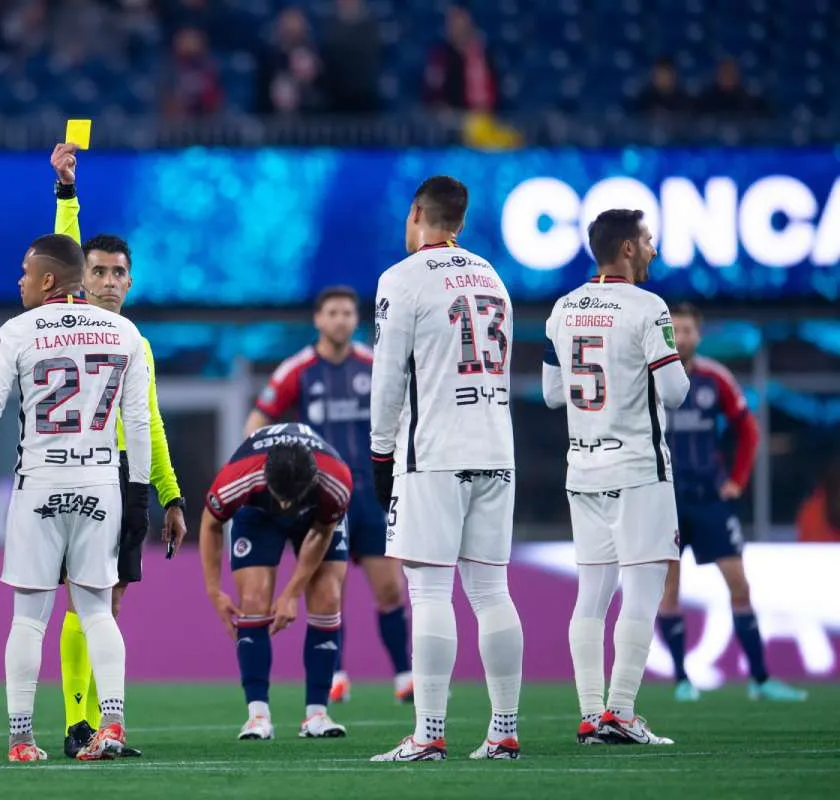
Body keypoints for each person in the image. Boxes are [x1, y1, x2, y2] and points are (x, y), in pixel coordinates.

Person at [0, 233, 152, 763]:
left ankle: (21, 739)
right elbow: (138, 423)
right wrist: (140, 500)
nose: (19, 281)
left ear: (49, 279)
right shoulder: (124, 331)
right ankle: (113, 724)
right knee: (98, 610)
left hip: (40, 483)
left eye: (26, 273)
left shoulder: (16, 331)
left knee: (29, 618)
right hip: (101, 481)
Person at [368, 176, 524, 763]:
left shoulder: (401, 278)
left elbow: (386, 380)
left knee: (430, 587)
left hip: (433, 450)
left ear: (416, 214)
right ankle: (504, 730)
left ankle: (429, 733)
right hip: (495, 447)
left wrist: (381, 452)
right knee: (490, 590)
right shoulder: (493, 277)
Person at [50, 142, 188, 759]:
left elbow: (150, 424)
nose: (106, 281)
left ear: (131, 282)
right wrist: (66, 191)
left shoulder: (136, 343)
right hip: (75, 475)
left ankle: (90, 723)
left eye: (116, 273)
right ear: (82, 280)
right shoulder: (71, 315)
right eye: (97, 271)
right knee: (90, 596)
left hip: (127, 482)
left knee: (109, 599)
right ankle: (80, 722)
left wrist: (171, 494)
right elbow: (65, 243)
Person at [542, 208, 689, 747]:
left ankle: (590, 715)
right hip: (638, 469)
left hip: (582, 467)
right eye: (647, 240)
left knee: (591, 598)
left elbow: (555, 393)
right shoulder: (648, 307)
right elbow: (675, 392)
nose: (653, 248)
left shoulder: (562, 309)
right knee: (643, 592)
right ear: (626, 248)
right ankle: (621, 712)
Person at [246, 286, 411, 705]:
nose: (340, 320)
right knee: (329, 590)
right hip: (320, 498)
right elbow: (257, 422)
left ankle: (404, 674)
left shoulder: (374, 365)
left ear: (356, 320)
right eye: (332, 312)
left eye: (348, 313)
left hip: (372, 493)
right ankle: (335, 673)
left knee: (389, 587)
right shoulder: (297, 369)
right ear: (318, 319)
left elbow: (407, 413)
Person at [658, 304, 807, 702]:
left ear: (698, 335)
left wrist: (737, 481)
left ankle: (760, 680)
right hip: (664, 500)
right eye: (674, 330)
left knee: (739, 586)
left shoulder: (714, 379)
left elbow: (748, 428)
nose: (681, 337)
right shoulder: (650, 378)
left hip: (710, 500)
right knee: (668, 591)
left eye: (687, 330)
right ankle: (681, 681)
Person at [200, 423, 353, 741]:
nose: (286, 507)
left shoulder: (335, 481)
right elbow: (211, 523)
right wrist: (214, 591)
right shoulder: (240, 476)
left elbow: (323, 531)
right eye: (281, 497)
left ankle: (317, 714)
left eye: (291, 499)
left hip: (315, 517)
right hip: (258, 515)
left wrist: (292, 592)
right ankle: (257, 716)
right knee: (254, 599)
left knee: (328, 596)